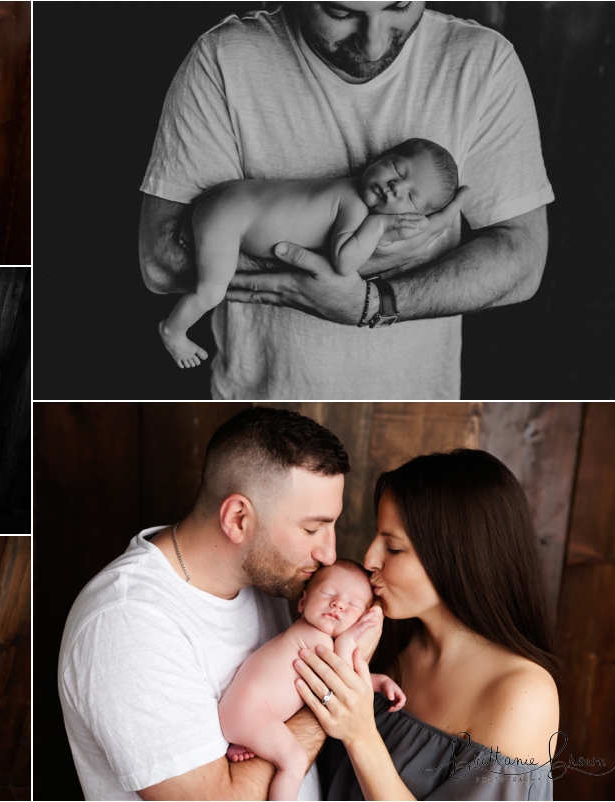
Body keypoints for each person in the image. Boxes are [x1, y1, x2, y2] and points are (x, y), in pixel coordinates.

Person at [140, 2, 552, 398]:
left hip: (416, 402)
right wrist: (379, 243)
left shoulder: (483, 62)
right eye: (341, 12)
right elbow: (160, 262)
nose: (373, 44)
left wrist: (376, 303)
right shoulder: (223, 58)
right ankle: (174, 331)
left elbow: (523, 261)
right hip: (257, 399)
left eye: (399, 5)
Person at [58, 407, 383, 800]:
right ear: (238, 518)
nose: (330, 553)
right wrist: (332, 697)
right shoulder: (127, 624)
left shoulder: (274, 582)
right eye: (312, 528)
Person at [293, 450, 559, 799]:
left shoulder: (522, 696)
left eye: (394, 548)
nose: (369, 559)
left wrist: (361, 735)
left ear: (458, 559)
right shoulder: (382, 637)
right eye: (377, 538)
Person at [160, 137, 457, 367]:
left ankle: (195, 230)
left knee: (210, 248)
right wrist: (379, 226)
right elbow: (343, 263)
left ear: (414, 217)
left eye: (409, 196)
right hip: (229, 221)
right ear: (380, 157)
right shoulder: (354, 205)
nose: (395, 186)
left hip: (227, 198)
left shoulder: (346, 188)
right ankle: (173, 331)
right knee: (211, 292)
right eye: (397, 168)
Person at [218, 560, 404, 800]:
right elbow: (341, 676)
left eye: (352, 604)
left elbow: (341, 679)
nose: (338, 604)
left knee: (283, 749)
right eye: (328, 593)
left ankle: (248, 741)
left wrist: (378, 682)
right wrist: (350, 638)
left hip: (247, 714)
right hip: (248, 712)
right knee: (295, 761)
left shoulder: (319, 643)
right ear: (303, 602)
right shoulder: (313, 636)